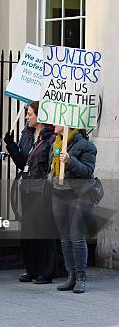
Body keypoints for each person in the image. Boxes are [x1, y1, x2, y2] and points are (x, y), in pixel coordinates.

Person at [4, 102, 57, 284]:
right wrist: (11, 146)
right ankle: (31, 269)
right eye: (26, 114)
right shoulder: (26, 135)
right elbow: (22, 162)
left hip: (42, 189)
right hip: (26, 186)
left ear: (40, 116)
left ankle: (46, 271)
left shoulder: (50, 138)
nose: (26, 117)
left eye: (30, 114)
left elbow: (51, 164)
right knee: (27, 231)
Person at [49, 126, 97, 294]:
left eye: (58, 121)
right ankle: (70, 275)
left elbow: (88, 171)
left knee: (77, 237)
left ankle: (81, 277)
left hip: (80, 194)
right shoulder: (56, 143)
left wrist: (70, 161)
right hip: (59, 193)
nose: (54, 123)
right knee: (64, 238)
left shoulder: (86, 145)